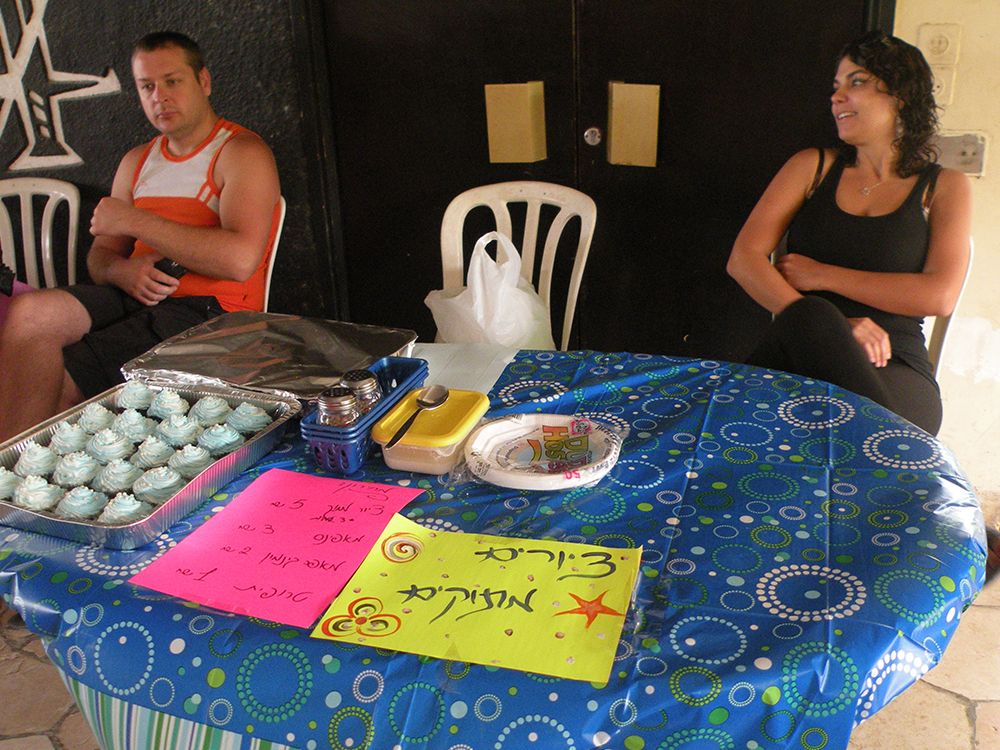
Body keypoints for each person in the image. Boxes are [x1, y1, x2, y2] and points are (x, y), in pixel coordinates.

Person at [726, 31, 1000, 583]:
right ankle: (942, 513)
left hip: (893, 367)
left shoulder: (943, 186)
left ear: (901, 95)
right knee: (814, 323)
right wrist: (829, 323)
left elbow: (938, 295)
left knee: (816, 427)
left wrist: (822, 276)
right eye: (835, 85)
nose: (837, 96)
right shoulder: (812, 166)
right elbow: (744, 260)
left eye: (857, 82)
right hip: (797, 351)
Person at [0, 31, 281, 443]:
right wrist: (122, 271)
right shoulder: (137, 160)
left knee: (60, 380)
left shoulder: (241, 152)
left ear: (203, 81)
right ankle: (9, 462)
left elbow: (239, 261)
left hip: (211, 314)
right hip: (134, 297)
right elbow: (100, 257)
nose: (159, 97)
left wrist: (135, 221)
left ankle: (16, 470)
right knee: (30, 312)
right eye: (146, 86)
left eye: (172, 81)